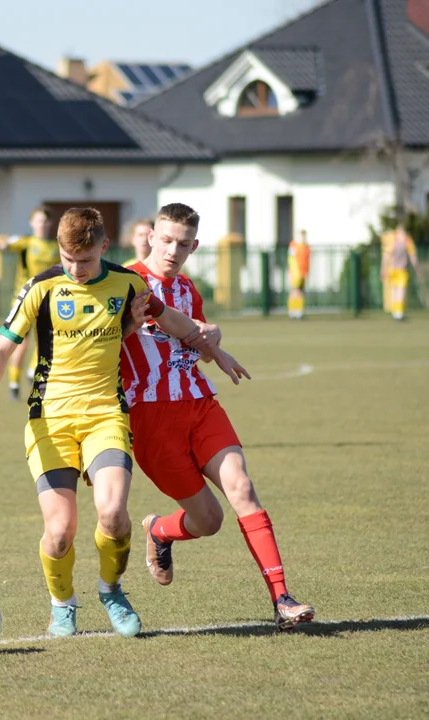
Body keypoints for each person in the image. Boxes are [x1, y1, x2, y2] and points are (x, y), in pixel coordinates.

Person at [0, 207, 246, 639]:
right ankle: (62, 605)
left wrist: (212, 346)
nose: (75, 269)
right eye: (67, 259)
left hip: (105, 414)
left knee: (114, 513)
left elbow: (169, 318)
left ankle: (111, 590)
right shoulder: (41, 287)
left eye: (84, 260)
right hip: (51, 419)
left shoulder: (128, 283)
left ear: (103, 247)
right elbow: (2, 348)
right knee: (60, 532)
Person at [121, 202, 315, 632]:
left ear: (195, 246)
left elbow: (192, 340)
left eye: (183, 244)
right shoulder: (122, 283)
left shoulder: (189, 289)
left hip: (199, 404)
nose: (173, 250)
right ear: (151, 235)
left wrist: (214, 345)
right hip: (150, 421)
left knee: (242, 487)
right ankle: (161, 532)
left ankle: (282, 598)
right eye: (166, 240)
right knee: (209, 521)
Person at [0, 208, 58, 400]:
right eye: (38, 221)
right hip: (24, 298)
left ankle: (32, 370)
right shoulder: (25, 242)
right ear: (31, 223)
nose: (41, 224)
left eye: (44, 221)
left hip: (48, 299)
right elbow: (2, 246)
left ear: (49, 224)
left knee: (49, 339)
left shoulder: (54, 247)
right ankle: (14, 383)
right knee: (20, 343)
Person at [381, 225, 423, 321]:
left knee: (395, 291)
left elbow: (386, 257)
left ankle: (396, 313)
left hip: (392, 270)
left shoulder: (393, 242)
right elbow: (413, 259)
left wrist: (383, 269)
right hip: (401, 271)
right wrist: (418, 270)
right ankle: (398, 313)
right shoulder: (407, 242)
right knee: (400, 291)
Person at [287, 230, 311, 319]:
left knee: (301, 293)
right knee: (295, 292)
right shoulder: (294, 246)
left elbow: (308, 261)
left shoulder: (307, 247)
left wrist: (306, 272)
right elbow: (291, 259)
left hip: (304, 273)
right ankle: (293, 311)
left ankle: (299, 311)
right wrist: (294, 272)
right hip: (296, 273)